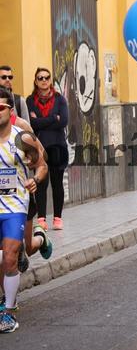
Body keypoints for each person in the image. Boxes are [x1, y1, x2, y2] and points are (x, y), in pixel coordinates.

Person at [0, 86, 48, 333]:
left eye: (0, 108)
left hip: (15, 205)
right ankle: (6, 298)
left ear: (10, 111)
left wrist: (35, 179)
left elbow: (42, 164)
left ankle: (8, 311)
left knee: (9, 256)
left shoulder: (22, 138)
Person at [26, 67, 69, 231]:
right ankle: (42, 218)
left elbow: (63, 121)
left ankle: (57, 218)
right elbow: (31, 124)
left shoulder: (60, 100)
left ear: (50, 80)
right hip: (39, 148)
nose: (44, 80)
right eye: (40, 78)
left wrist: (42, 121)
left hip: (58, 146)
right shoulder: (30, 100)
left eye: (46, 77)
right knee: (41, 183)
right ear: (36, 81)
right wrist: (52, 118)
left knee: (57, 183)